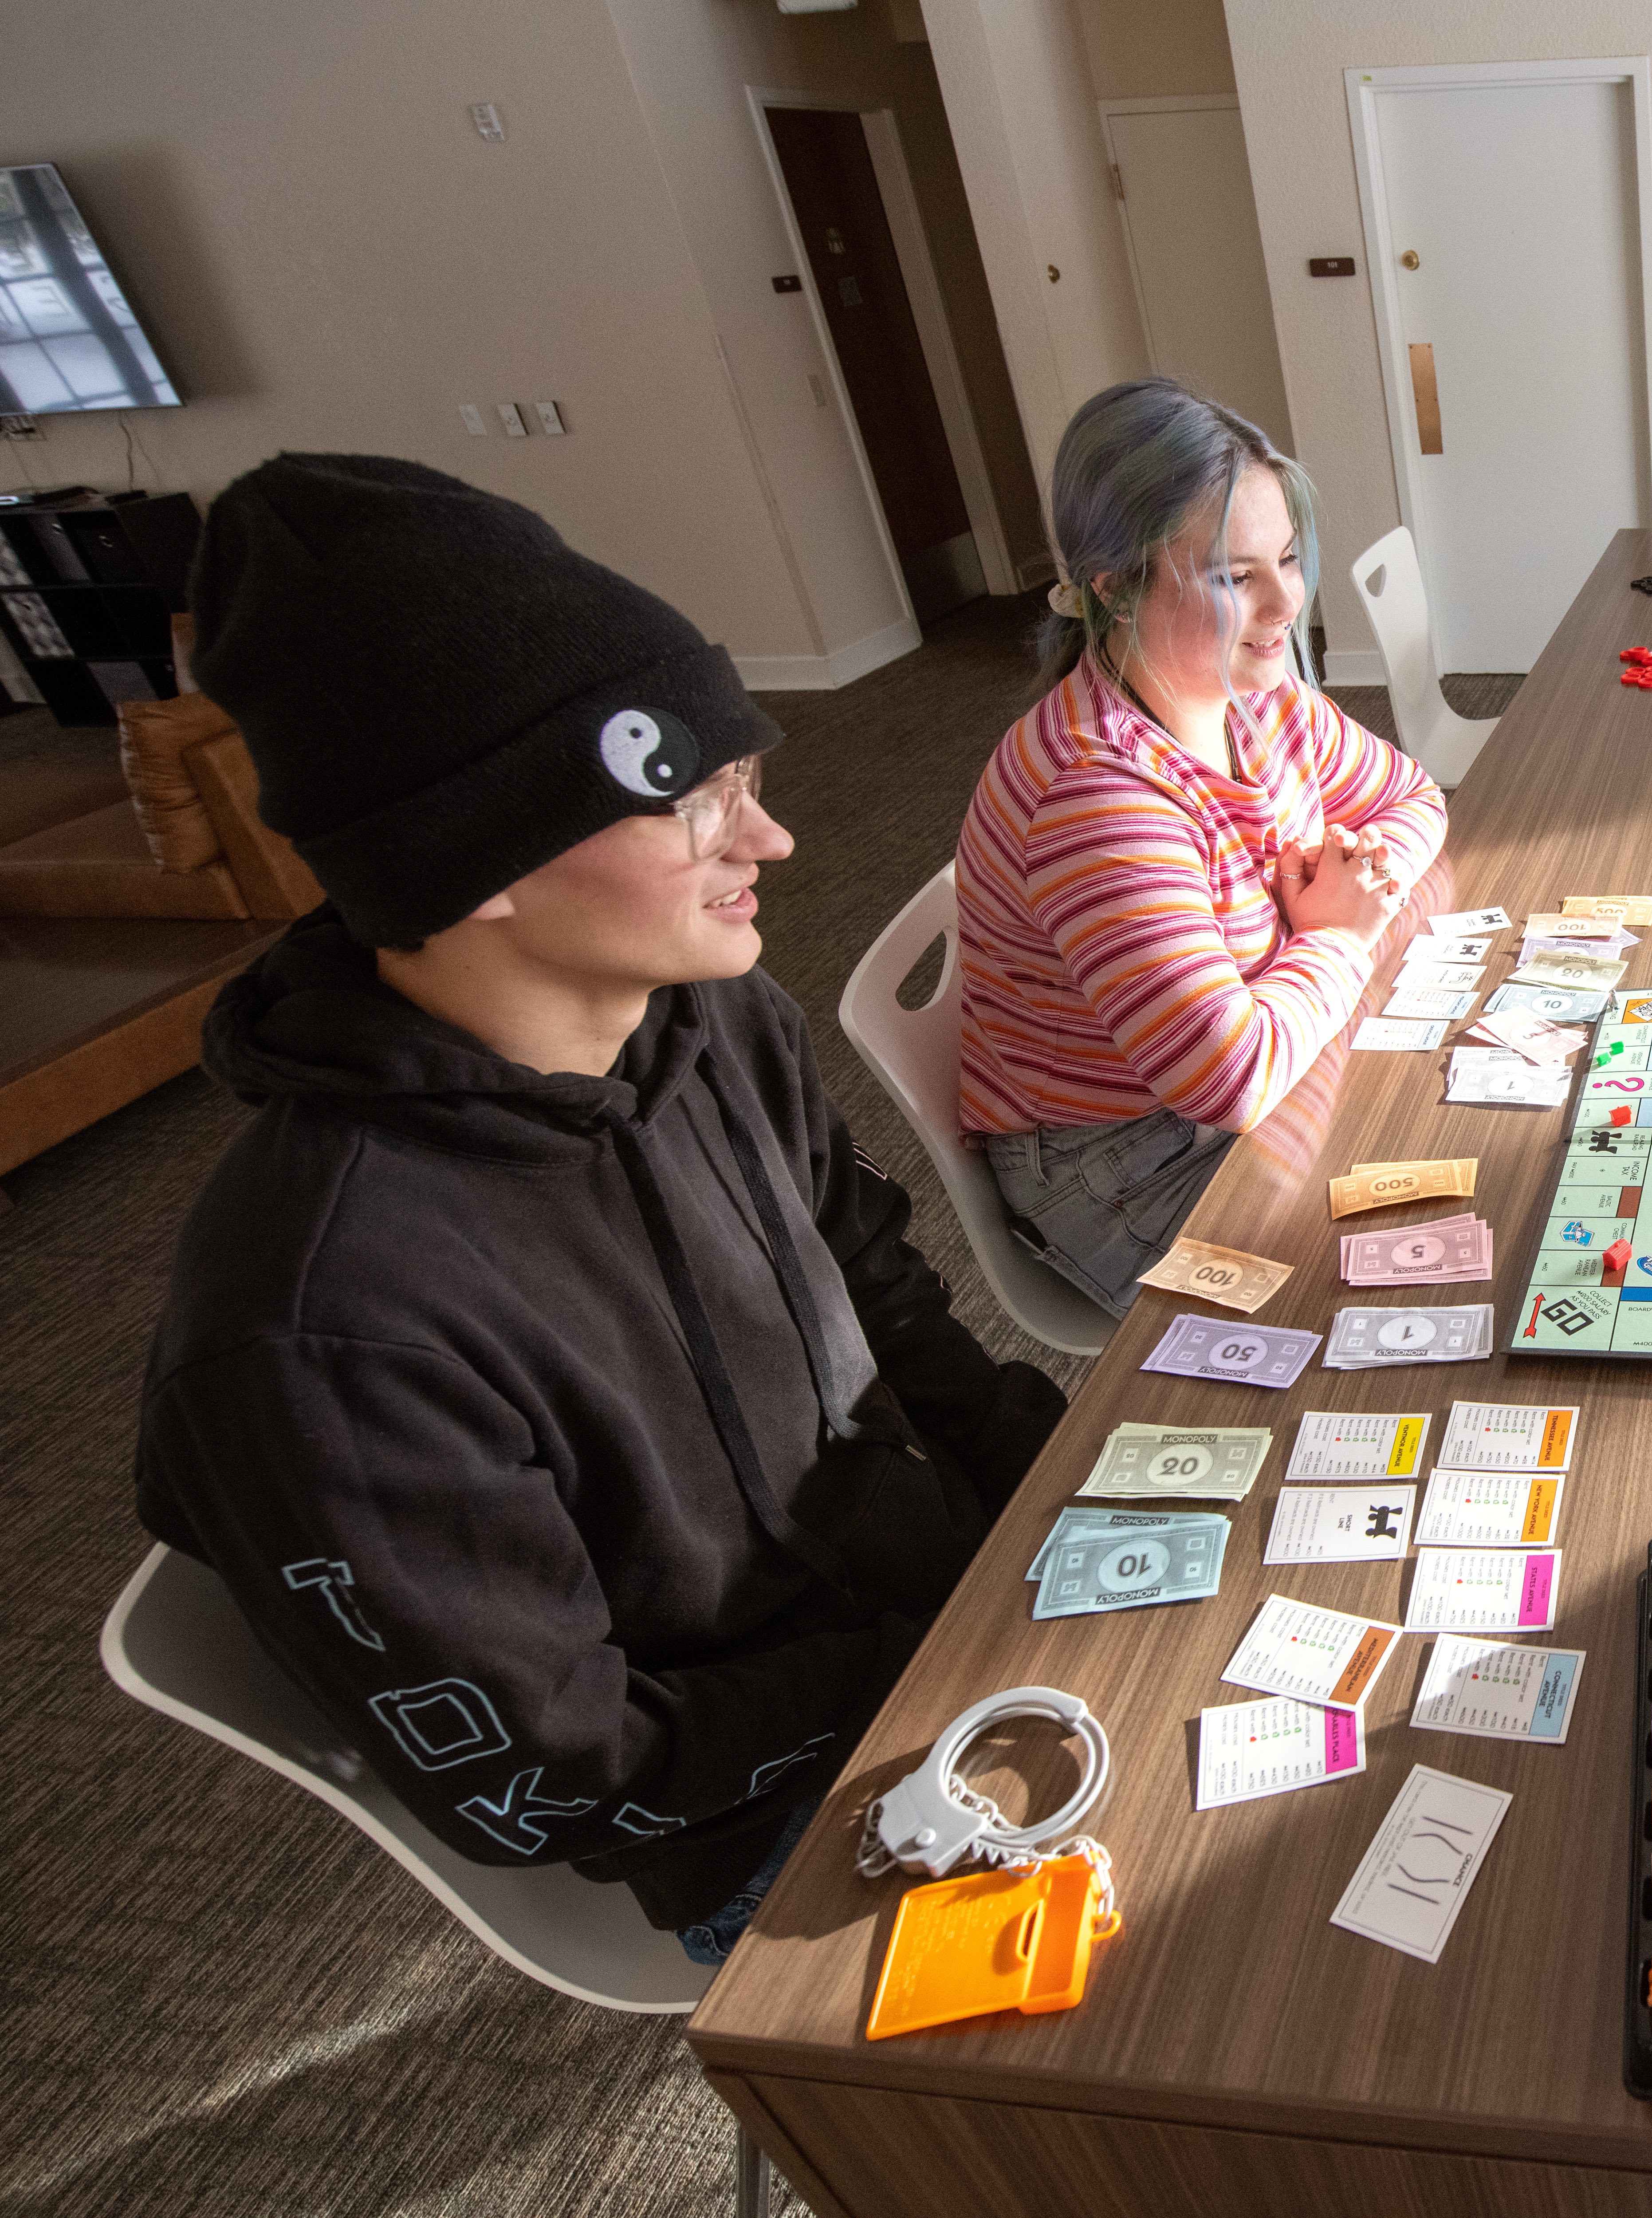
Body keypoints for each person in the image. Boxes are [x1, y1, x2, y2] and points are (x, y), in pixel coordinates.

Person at [135, 455, 1066, 1960]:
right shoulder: (323, 1331)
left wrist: (1075, 1497)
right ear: (474, 861)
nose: (765, 845)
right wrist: (944, 1662)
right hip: (770, 1813)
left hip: (949, 1629)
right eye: (696, 804)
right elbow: (557, 1767)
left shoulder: (713, 1022)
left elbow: (880, 1292)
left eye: (747, 782)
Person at [957, 379, 1446, 1316]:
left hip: (1246, 1059)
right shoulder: (1095, 794)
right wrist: (1341, 934)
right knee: (1406, 1287)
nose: (1284, 607)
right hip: (1127, 1161)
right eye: (1233, 577)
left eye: (1290, 560)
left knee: (1463, 1138)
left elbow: (1411, 796)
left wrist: (1362, 876)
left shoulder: (1261, 695)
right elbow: (1231, 1078)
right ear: (1113, 584)